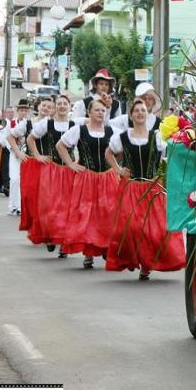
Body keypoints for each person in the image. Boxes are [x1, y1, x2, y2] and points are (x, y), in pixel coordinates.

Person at [105, 99, 185, 280]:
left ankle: (146, 265)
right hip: (131, 187)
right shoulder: (122, 137)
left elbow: (169, 155)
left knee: (154, 230)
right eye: (137, 111)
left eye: (143, 110)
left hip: (152, 188)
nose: (140, 113)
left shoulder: (156, 137)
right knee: (132, 227)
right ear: (131, 115)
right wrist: (118, 169)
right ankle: (136, 259)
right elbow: (108, 153)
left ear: (147, 115)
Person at [57, 99, 119, 269]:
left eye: (103, 110)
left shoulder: (112, 131)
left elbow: (122, 148)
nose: (101, 113)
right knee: (88, 214)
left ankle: (106, 246)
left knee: (108, 213)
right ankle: (89, 253)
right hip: (88, 177)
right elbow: (60, 145)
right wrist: (71, 164)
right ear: (89, 112)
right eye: (97, 110)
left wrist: (117, 166)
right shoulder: (80, 130)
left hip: (107, 177)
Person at [26, 94, 77, 257]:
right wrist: (37, 155)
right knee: (50, 205)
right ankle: (49, 236)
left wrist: (77, 160)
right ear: (55, 106)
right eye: (59, 103)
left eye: (65, 103)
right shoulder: (46, 124)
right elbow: (30, 139)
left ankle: (63, 242)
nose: (62, 106)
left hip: (69, 169)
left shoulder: (75, 124)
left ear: (69, 107)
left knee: (67, 206)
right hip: (52, 169)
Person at [6, 98, 45, 216]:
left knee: (25, 182)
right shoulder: (10, 123)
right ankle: (13, 205)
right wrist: (17, 152)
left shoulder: (32, 123)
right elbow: (6, 139)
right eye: (21, 110)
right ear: (18, 111)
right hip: (15, 154)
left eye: (25, 110)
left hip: (28, 155)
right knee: (14, 180)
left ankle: (20, 206)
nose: (23, 112)